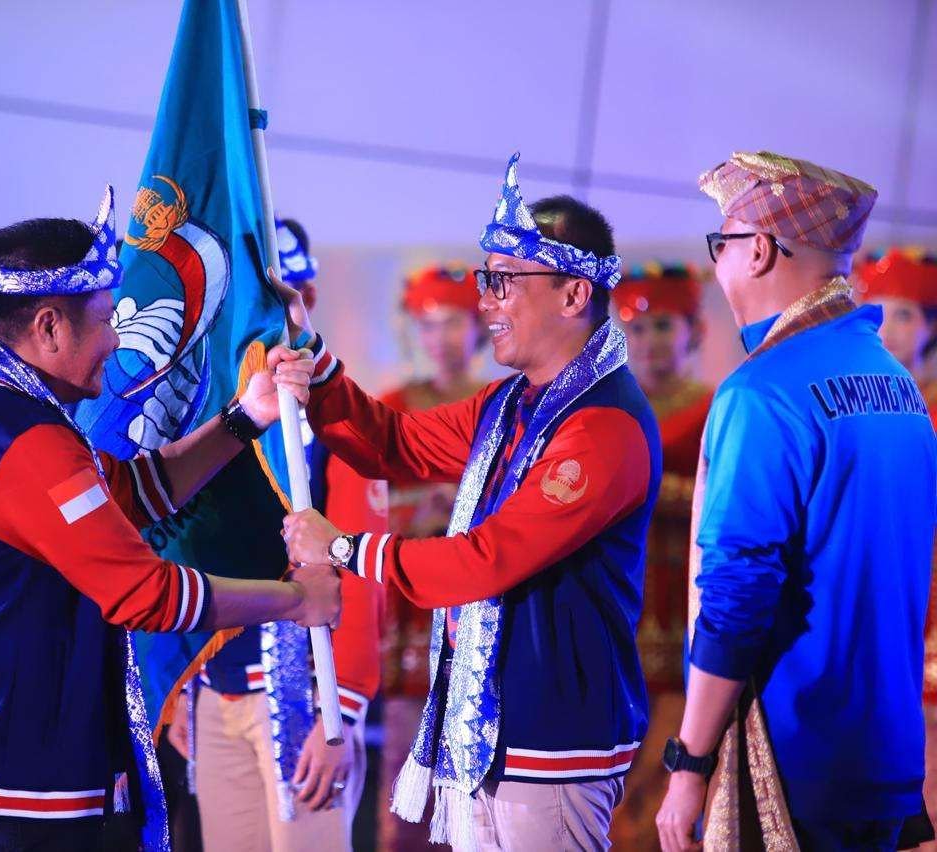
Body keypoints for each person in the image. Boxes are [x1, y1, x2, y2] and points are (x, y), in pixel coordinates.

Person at [0, 189, 342, 851]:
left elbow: (129, 490)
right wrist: (297, 599)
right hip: (12, 788)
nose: (115, 342)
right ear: (49, 327)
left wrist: (246, 417)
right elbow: (145, 594)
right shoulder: (24, 441)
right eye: (105, 320)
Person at [282, 153, 662, 851]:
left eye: (504, 280)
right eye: (486, 279)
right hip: (492, 736)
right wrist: (312, 358)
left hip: (551, 744)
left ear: (574, 295)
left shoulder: (602, 427)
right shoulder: (513, 404)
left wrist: (341, 548)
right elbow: (394, 444)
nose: (485, 300)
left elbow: (485, 562)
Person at [655, 152, 936, 852]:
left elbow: (736, 592)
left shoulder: (763, 391)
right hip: (887, 759)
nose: (719, 265)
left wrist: (689, 761)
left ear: (757, 250)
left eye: (721, 243)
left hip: (791, 761)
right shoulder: (896, 383)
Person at [165, 217, 384, 852]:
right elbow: (184, 549)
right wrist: (181, 687)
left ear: (304, 299)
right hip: (214, 688)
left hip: (303, 694)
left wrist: (341, 711)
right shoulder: (209, 421)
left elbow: (364, 576)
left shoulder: (339, 422)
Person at [375, 262, 485, 852]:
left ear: (479, 327)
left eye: (453, 323)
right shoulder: (395, 406)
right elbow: (365, 504)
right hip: (415, 604)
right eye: (429, 324)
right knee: (406, 756)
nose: (440, 338)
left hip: (482, 593)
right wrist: (424, 505)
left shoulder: (502, 404)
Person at [607, 262, 713, 848]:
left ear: (694, 331)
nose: (650, 341)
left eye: (665, 326)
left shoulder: (715, 408)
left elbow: (724, 500)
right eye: (638, 328)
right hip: (617, 601)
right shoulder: (607, 405)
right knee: (611, 774)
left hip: (685, 605)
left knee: (666, 769)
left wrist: (642, 489)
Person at [854, 246, 937, 851]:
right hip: (866, 603)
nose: (888, 327)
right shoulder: (851, 399)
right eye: (877, 310)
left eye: (905, 313)